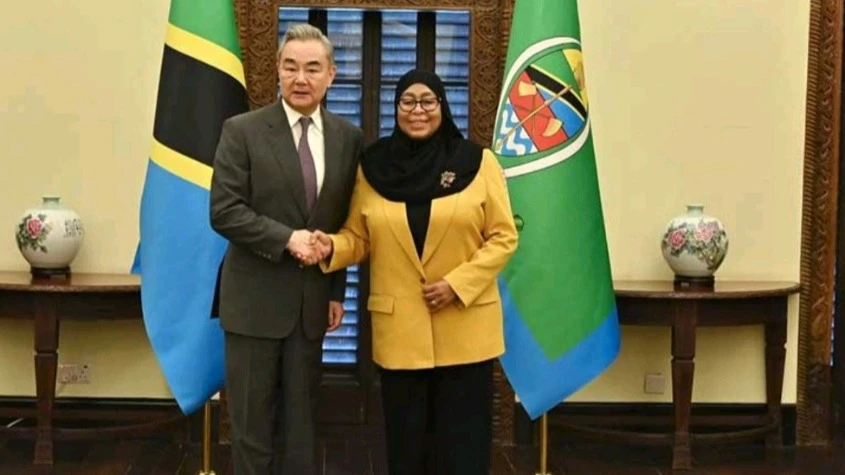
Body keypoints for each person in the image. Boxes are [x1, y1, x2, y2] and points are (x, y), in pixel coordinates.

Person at [309, 69, 518, 475]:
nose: (417, 110)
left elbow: (503, 237)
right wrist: (331, 246)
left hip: (466, 327)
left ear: (442, 106)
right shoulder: (373, 167)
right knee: (407, 449)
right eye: (408, 101)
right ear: (396, 108)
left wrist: (458, 285)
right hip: (401, 330)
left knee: (463, 448)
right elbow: (360, 236)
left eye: (427, 101)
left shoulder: (477, 163)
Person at [209, 23, 363, 475]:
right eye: (291, 67)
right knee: (252, 432)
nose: (301, 78)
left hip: (311, 306)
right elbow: (224, 211)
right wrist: (285, 239)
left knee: (302, 430)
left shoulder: (347, 138)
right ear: (277, 71)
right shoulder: (242, 131)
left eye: (312, 68)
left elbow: (344, 222)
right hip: (253, 305)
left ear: (331, 75)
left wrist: (336, 290)